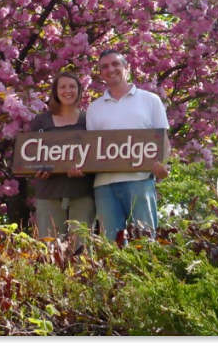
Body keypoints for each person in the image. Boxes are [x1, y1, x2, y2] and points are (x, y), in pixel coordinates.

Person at [85, 49, 169, 241]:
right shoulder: (94, 108)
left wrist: (161, 165)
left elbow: (163, 139)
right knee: (112, 244)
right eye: (104, 66)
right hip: (104, 185)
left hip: (140, 180)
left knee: (145, 239)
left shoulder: (150, 100)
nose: (110, 69)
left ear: (126, 68)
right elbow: (91, 149)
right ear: (100, 73)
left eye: (115, 64)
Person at [29, 71, 95, 241]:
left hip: (82, 193)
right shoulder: (41, 121)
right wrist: (37, 170)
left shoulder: (89, 120)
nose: (68, 90)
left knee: (81, 249)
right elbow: (28, 156)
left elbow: (98, 155)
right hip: (48, 193)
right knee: (50, 249)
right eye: (63, 87)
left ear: (79, 91)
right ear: (56, 91)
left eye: (72, 86)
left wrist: (86, 169)